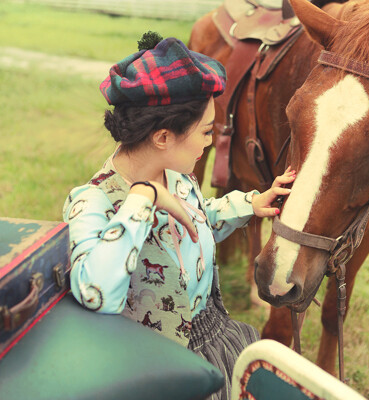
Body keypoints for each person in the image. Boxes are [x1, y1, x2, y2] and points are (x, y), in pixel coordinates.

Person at [63, 32, 295, 400]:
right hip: (154, 366)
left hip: (212, 344)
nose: (210, 141)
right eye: (206, 131)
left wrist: (250, 204)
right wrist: (143, 197)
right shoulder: (93, 203)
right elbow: (97, 293)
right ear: (163, 137)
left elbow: (195, 221)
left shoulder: (179, 180)